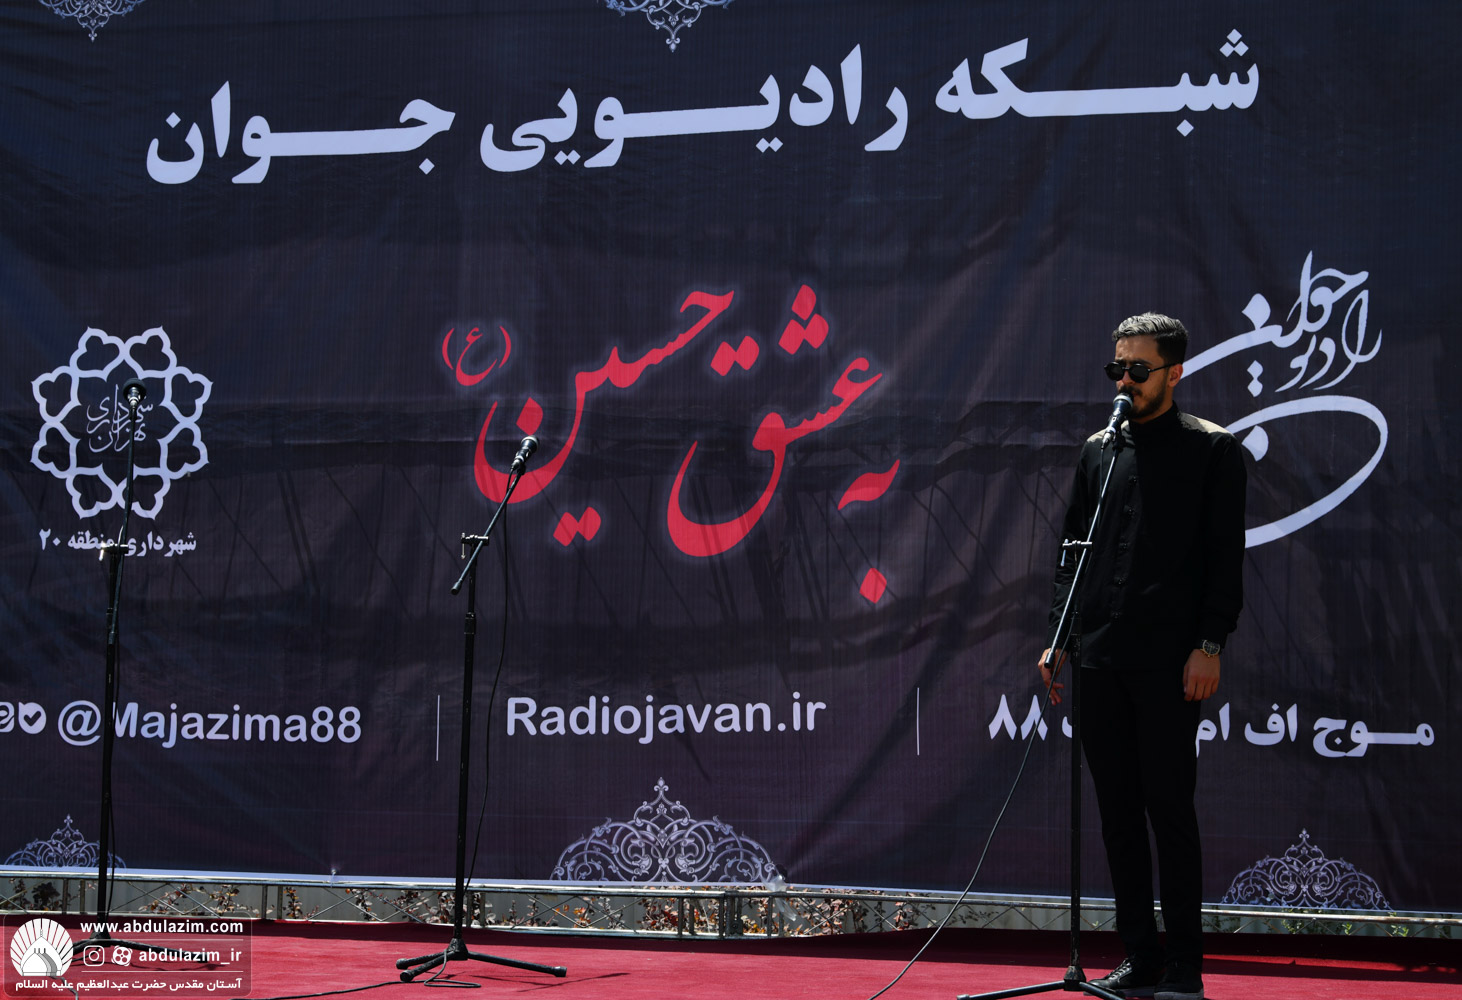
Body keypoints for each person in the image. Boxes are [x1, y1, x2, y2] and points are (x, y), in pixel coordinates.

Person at [1038, 313, 1246, 1000]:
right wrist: (1059, 636)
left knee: (1168, 809)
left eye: (1137, 369)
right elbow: (1072, 552)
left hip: (1169, 661)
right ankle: (1140, 956)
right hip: (1098, 657)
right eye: (1117, 368)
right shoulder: (1099, 449)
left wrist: (1209, 644)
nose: (1124, 381)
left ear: (1174, 372)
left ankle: (1184, 965)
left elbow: (1225, 560)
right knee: (1117, 813)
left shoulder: (1212, 450)